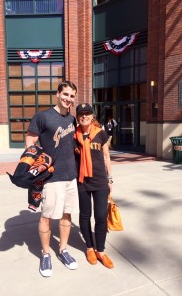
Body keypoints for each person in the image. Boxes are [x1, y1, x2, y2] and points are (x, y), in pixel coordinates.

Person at [25, 80, 79, 277]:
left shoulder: (72, 120)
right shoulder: (43, 117)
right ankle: (46, 253)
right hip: (51, 177)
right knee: (47, 217)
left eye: (72, 96)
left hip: (70, 176)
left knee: (67, 215)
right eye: (65, 94)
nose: (68, 99)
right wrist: (35, 167)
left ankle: (63, 250)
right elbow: (30, 142)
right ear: (58, 93)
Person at [74, 103, 114, 269]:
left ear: (92, 115)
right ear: (77, 117)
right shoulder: (72, 136)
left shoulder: (101, 133)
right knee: (85, 216)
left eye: (87, 113)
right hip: (82, 181)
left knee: (100, 217)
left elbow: (106, 157)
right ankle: (89, 248)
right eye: (81, 114)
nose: (84, 116)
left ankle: (101, 251)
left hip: (99, 182)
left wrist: (109, 179)